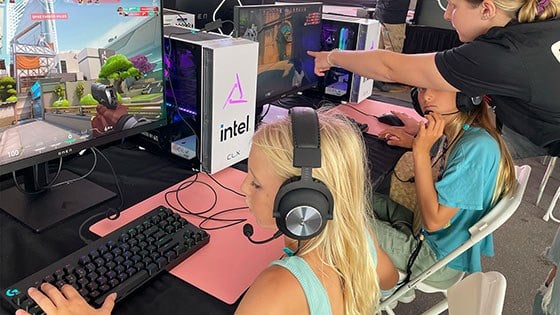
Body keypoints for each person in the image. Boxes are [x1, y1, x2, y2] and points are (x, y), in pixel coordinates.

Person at [15, 108, 399, 315]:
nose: (244, 187)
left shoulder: (280, 288)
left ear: (303, 204)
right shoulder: (357, 238)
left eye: (257, 183)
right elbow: (388, 277)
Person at [308, 0, 560, 158]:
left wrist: (330, 57)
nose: (447, 15)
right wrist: (424, 137)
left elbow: (390, 68)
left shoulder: (503, 56)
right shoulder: (541, 27)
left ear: (486, 9)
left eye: (453, 6)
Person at [372, 87, 517, 290]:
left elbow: (434, 222)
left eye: (438, 88)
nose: (426, 96)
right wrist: (416, 139)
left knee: (340, 226)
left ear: (467, 96)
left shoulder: (476, 149)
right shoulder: (461, 134)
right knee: (352, 199)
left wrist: (420, 152)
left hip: (432, 257)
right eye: (421, 89)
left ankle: (389, 290)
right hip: (420, 230)